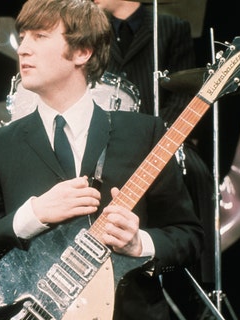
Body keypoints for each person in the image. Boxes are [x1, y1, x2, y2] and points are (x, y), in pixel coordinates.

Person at [0, 0, 204, 319]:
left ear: (82, 52)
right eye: (23, 36)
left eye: (40, 36)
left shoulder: (144, 133)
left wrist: (139, 243)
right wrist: (33, 214)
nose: (23, 49)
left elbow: (188, 237)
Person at [94, 0, 216, 295]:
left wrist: (164, 138)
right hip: (108, 141)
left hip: (160, 137)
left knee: (196, 174)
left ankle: (198, 279)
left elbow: (186, 93)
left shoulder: (172, 27)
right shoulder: (93, 28)